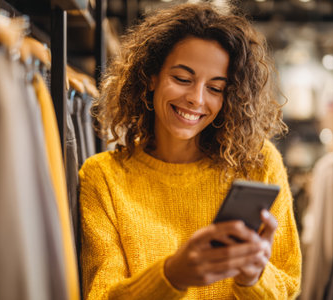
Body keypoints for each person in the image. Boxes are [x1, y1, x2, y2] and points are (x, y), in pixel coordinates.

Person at [79, 2, 301, 299]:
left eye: (215, 88)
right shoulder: (103, 177)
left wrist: (253, 278)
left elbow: (288, 286)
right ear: (151, 77)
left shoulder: (258, 164)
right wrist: (173, 275)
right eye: (182, 79)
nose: (196, 99)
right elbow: (101, 294)